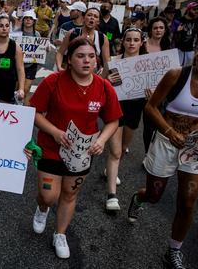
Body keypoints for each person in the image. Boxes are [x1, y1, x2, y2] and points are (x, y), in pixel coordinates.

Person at [127, 33, 198, 269]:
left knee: (187, 202)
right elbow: (151, 107)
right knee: (155, 195)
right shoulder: (177, 75)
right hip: (166, 141)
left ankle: (173, 250)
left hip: (196, 147)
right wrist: (168, 131)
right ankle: (139, 198)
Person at [27, 37, 121, 259]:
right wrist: (55, 132)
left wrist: (102, 140)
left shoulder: (103, 87)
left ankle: (60, 234)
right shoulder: (53, 81)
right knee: (49, 196)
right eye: (80, 56)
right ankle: (42, 208)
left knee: (69, 194)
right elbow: (34, 112)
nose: (86, 61)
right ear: (69, 60)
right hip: (51, 148)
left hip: (82, 153)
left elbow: (113, 120)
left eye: (91, 56)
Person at [104, 28, 146, 211]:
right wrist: (107, 80)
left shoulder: (147, 63)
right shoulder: (113, 61)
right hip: (115, 109)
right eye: (128, 39)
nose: (131, 43)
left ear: (141, 42)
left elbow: (157, 90)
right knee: (115, 152)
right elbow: (98, 83)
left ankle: (111, 170)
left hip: (135, 109)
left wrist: (152, 94)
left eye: (135, 40)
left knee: (121, 148)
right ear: (123, 42)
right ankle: (111, 196)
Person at [142, 17, 173, 153]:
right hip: (144, 93)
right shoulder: (142, 45)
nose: (158, 30)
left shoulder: (168, 48)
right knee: (148, 127)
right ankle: (148, 153)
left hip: (162, 93)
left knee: (161, 124)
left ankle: (156, 153)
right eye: (155, 28)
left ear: (165, 30)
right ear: (150, 30)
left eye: (161, 28)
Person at [56, 8, 110, 75]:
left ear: (98, 21)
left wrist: (101, 78)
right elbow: (60, 53)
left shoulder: (103, 38)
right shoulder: (72, 33)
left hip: (92, 78)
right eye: (89, 15)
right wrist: (59, 67)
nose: (92, 18)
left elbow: (107, 62)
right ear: (83, 18)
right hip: (72, 75)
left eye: (95, 16)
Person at [0, 14, 24, 103]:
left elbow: (20, 69)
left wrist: (21, 88)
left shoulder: (16, 47)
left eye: (7, 26)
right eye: (0, 26)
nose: (4, 28)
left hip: (8, 90)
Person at [14, 10, 41, 105]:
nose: (28, 20)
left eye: (31, 18)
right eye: (26, 18)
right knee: (16, 89)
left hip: (31, 65)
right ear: (23, 20)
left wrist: (46, 48)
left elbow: (40, 49)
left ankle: (23, 110)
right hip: (17, 64)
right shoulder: (16, 33)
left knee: (25, 89)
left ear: (34, 21)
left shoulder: (37, 34)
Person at [172, 2, 198, 67]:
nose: (196, 11)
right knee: (177, 69)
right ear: (188, 10)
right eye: (194, 9)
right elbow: (172, 36)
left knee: (188, 70)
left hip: (190, 51)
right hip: (178, 50)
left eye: (197, 9)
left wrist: (196, 50)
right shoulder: (178, 20)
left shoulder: (197, 22)